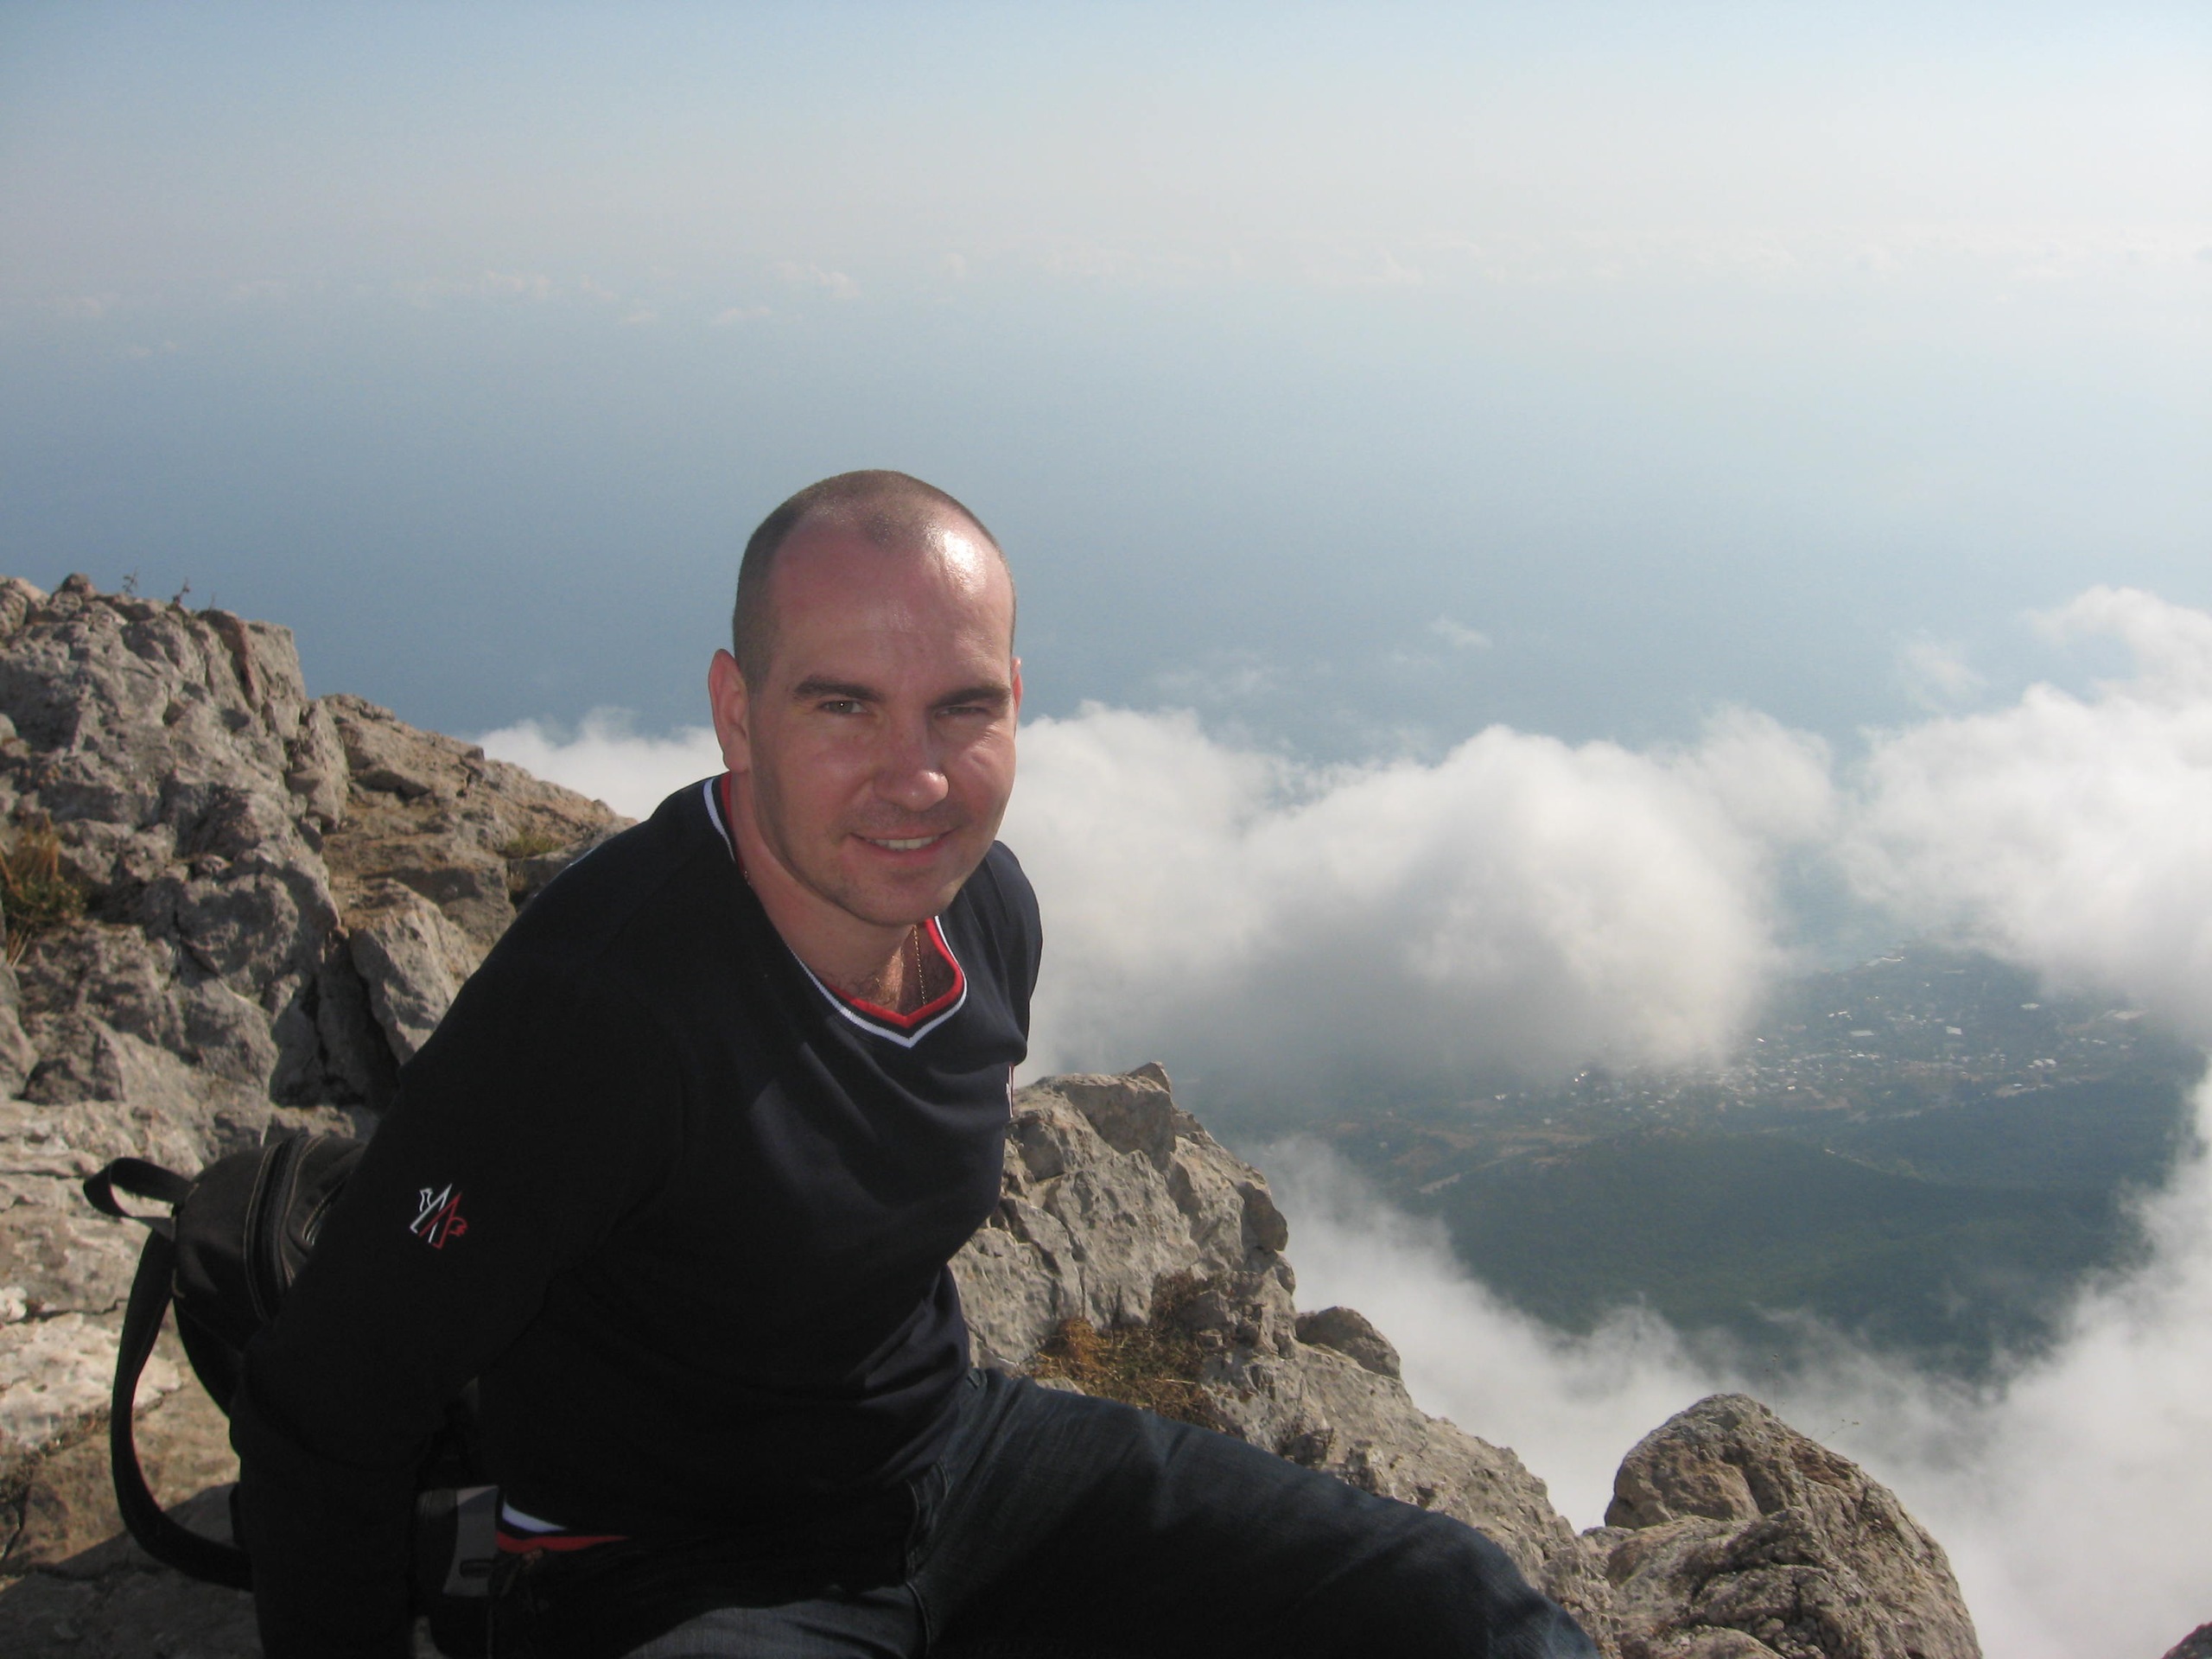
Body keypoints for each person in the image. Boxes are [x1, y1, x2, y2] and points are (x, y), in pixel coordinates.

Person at [232, 471, 1596, 1658]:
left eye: (961, 709)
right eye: (844, 706)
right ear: (737, 712)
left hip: (957, 1462)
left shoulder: (988, 912)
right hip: (664, 1561)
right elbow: (327, 1403)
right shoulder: (595, 1015)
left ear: (1017, 703)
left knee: (1466, 1608)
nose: (918, 778)